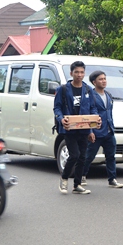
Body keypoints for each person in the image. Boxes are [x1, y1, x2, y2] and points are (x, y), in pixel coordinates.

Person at [54, 61, 101, 195]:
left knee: (83, 157)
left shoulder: (88, 90)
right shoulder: (62, 89)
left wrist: (93, 127)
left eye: (81, 72)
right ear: (71, 73)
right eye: (76, 72)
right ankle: (64, 179)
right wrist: (61, 119)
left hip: (84, 129)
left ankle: (77, 184)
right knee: (74, 155)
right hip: (69, 129)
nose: (79, 75)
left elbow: (93, 108)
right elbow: (57, 108)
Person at [81, 70, 123, 188]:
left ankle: (112, 179)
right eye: (101, 79)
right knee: (89, 156)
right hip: (96, 132)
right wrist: (90, 131)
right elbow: (88, 114)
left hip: (109, 131)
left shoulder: (108, 95)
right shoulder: (90, 96)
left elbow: (109, 112)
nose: (104, 81)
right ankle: (81, 175)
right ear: (94, 82)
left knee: (111, 156)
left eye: (104, 78)